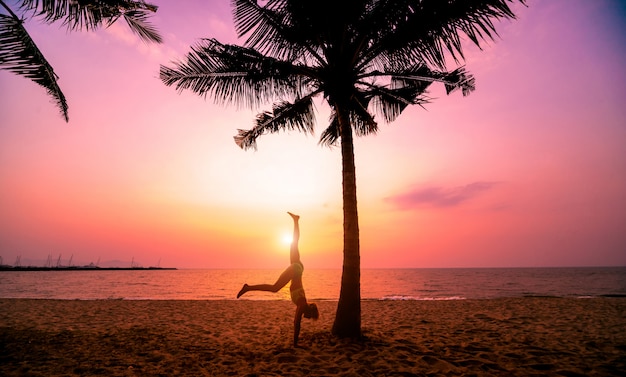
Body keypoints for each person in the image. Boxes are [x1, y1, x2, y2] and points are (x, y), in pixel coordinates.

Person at [237, 212, 319, 347]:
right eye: (310, 317)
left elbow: (298, 321)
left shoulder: (304, 302)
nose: (308, 319)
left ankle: (296, 221)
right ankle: (248, 287)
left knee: (294, 243)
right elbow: (296, 323)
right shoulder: (302, 305)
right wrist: (295, 344)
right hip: (296, 270)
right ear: (309, 311)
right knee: (274, 288)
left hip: (298, 269)